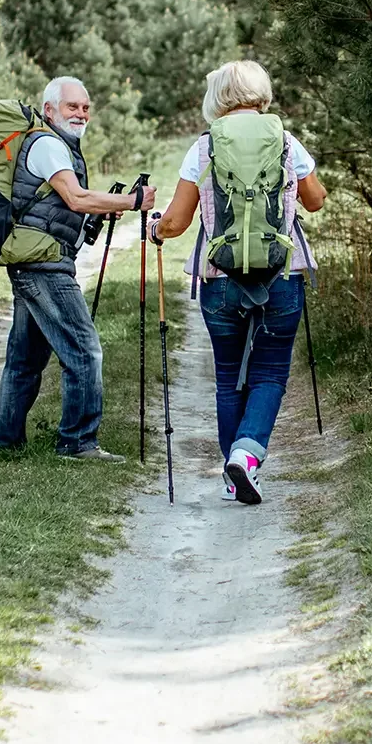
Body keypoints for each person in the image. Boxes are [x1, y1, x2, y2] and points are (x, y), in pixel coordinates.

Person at [153, 61, 330, 503]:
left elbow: (176, 221)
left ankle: (234, 476)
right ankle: (246, 457)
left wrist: (156, 229)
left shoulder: (204, 147)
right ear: (261, 93)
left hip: (219, 278)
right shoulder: (287, 142)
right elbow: (316, 200)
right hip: (281, 274)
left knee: (229, 375)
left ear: (217, 98)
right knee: (270, 374)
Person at [0, 76, 151, 461]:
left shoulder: (55, 145)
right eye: (72, 106)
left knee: (25, 359)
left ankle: (6, 444)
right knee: (85, 351)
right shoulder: (48, 145)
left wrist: (114, 204)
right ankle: (78, 443)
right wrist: (132, 201)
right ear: (49, 110)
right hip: (44, 264)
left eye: (85, 107)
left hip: (33, 259)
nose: (81, 113)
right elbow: (76, 199)